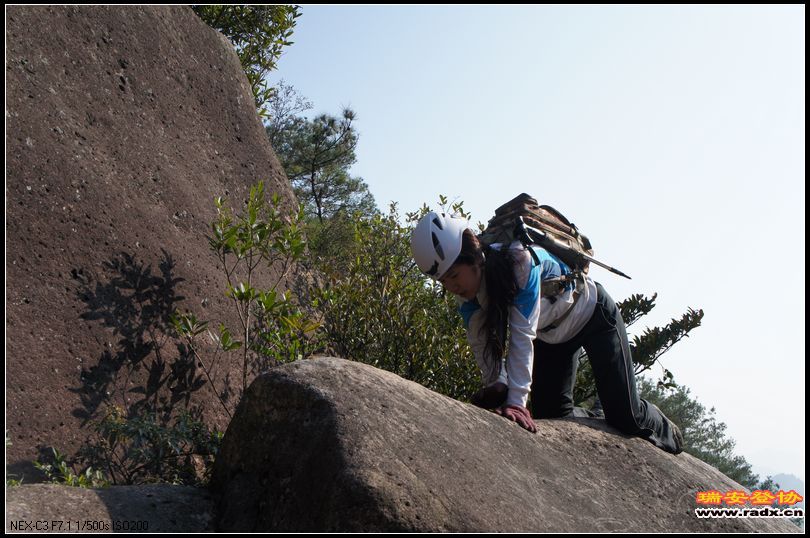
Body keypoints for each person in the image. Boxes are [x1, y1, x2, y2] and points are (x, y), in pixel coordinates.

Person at [410, 211, 684, 454]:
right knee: (554, 416)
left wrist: (516, 402)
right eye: (443, 281)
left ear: (474, 259)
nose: (451, 287)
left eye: (454, 275)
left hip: (593, 316)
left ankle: (667, 430)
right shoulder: (468, 297)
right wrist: (497, 383)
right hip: (553, 337)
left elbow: (522, 333)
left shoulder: (518, 261)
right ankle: (597, 415)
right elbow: (481, 343)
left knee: (626, 418)